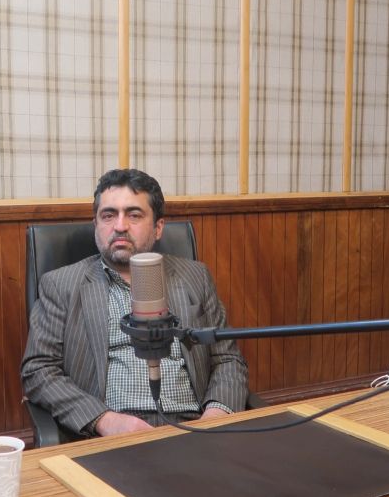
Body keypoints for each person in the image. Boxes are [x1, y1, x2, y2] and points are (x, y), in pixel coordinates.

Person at [21, 168, 249, 437]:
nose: (119, 226)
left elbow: (227, 359)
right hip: (112, 436)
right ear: (96, 225)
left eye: (134, 215)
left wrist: (216, 414)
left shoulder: (195, 277)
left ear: (158, 227)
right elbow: (38, 370)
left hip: (193, 427)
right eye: (108, 215)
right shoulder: (61, 285)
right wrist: (104, 420)